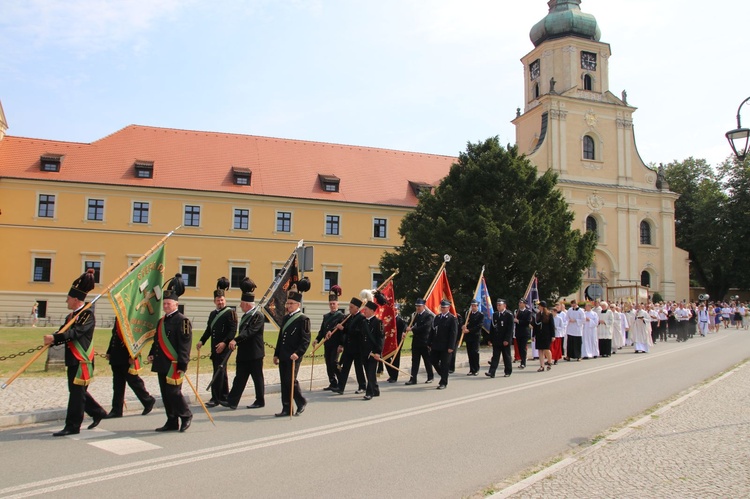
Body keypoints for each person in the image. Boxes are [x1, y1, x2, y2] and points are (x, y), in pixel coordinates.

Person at [43, 269, 108, 436]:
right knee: (77, 392)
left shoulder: (87, 315)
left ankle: (72, 426)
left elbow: (75, 334)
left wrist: (55, 338)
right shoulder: (70, 316)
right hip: (72, 359)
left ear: (76, 299)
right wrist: (53, 339)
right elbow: (63, 334)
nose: (66, 300)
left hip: (82, 361)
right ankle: (97, 412)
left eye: (68, 298)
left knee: (76, 395)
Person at [148, 274, 193, 432]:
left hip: (174, 364)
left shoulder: (183, 321)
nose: (166, 306)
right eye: (165, 303)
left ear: (176, 304)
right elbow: (157, 340)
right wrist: (152, 352)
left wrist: (183, 363)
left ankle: (185, 415)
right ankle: (172, 420)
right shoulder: (161, 321)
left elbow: (185, 345)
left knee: (174, 393)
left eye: (169, 303)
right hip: (162, 363)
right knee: (165, 394)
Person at [222, 277, 265, 410]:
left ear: (247, 304)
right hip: (244, 353)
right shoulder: (247, 315)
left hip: (254, 353)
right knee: (239, 377)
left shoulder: (258, 316)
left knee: (257, 378)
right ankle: (232, 401)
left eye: (241, 303)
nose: (240, 305)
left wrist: (236, 340)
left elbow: (250, 332)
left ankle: (260, 400)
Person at [197, 277, 237, 408]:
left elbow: (232, 331)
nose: (220, 302)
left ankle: (216, 397)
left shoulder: (230, 313)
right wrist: (202, 341)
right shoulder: (213, 314)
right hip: (214, 346)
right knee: (220, 370)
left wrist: (224, 343)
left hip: (224, 347)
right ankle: (224, 396)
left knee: (218, 371)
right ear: (214, 301)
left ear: (225, 300)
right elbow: (209, 329)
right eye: (218, 300)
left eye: (222, 300)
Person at [273, 281, 311, 417]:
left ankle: (301, 401)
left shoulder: (303, 319)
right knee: (284, 382)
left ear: (298, 305)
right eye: (287, 303)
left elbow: (306, 340)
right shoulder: (285, 318)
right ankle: (287, 408)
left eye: (291, 303)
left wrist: (298, 353)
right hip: (283, 355)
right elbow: (280, 337)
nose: (288, 306)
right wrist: (276, 354)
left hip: (294, 355)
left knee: (290, 381)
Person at [105, 318, 155, 418]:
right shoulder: (118, 316)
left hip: (127, 355)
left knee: (133, 381)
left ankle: (147, 400)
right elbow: (114, 335)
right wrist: (110, 351)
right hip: (116, 355)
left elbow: (136, 337)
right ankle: (116, 410)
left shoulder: (132, 316)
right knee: (117, 384)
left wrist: (133, 355)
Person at [313, 285, 344, 391]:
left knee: (334, 363)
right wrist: (317, 339)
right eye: (330, 304)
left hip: (336, 343)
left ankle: (342, 381)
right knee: (328, 364)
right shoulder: (326, 316)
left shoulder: (341, 316)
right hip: (327, 343)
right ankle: (332, 382)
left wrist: (341, 344)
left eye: (334, 304)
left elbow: (343, 332)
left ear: (337, 304)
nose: (332, 305)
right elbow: (322, 330)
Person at [333, 296, 367, 394]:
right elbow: (345, 333)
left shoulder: (362, 318)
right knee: (345, 368)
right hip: (348, 347)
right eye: (349, 307)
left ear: (357, 308)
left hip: (357, 348)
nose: (349, 309)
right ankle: (341, 387)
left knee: (358, 368)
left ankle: (362, 386)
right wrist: (341, 344)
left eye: (352, 307)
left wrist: (344, 329)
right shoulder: (349, 317)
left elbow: (358, 332)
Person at [429, 300, 457, 389]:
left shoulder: (452, 319)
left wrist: (451, 346)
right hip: (436, 345)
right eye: (442, 307)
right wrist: (429, 342)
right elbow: (432, 331)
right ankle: (443, 374)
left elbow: (453, 333)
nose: (443, 309)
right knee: (433, 360)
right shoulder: (437, 317)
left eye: (444, 307)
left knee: (445, 364)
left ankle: (443, 382)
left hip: (446, 346)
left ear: (448, 308)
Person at [405, 298, 435, 385]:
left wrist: (413, 329)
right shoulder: (414, 315)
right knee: (415, 361)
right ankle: (413, 379)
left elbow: (426, 327)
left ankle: (430, 376)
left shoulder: (428, 316)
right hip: (416, 342)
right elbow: (408, 323)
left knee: (427, 360)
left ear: (424, 306)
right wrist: (406, 328)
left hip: (425, 342)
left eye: (419, 306)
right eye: (416, 306)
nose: (417, 308)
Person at [360, 300, 384, 400]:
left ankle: (369, 392)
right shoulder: (363, 322)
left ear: (372, 311)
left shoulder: (378, 322)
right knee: (368, 373)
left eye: (366, 309)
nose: (364, 311)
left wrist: (378, 352)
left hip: (374, 353)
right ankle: (375, 389)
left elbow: (381, 338)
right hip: (365, 352)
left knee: (371, 372)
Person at [488, 298, 514, 377]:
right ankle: (491, 372)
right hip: (496, 339)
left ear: (504, 306)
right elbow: (492, 328)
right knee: (495, 356)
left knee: (506, 356)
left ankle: (508, 371)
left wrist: (507, 339)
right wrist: (490, 339)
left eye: (500, 305)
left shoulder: (509, 315)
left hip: (505, 339)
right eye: (497, 305)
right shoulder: (495, 315)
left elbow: (510, 329)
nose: (498, 307)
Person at [385, 304, 406, 382]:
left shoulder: (400, 320)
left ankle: (394, 376)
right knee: (386, 358)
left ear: (398, 310)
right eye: (393, 309)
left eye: (396, 309)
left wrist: (404, 332)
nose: (394, 311)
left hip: (397, 342)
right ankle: (391, 374)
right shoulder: (389, 319)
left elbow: (405, 326)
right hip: (389, 342)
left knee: (396, 360)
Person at [462, 299, 484, 375]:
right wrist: (463, 326)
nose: (473, 307)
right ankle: (471, 369)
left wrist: (469, 330)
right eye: (472, 306)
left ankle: (476, 369)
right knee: (470, 353)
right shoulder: (468, 314)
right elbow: (464, 322)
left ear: (477, 306)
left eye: (475, 306)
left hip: (475, 336)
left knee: (475, 352)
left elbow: (479, 326)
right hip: (468, 337)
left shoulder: (480, 315)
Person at [532, 301, 555, 371]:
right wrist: (533, 335)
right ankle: (542, 365)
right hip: (539, 335)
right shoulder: (538, 314)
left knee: (546, 349)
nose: (538, 307)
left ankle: (549, 362)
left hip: (546, 335)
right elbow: (535, 326)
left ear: (543, 307)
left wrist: (553, 336)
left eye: (539, 306)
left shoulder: (549, 314)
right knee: (540, 350)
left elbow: (552, 326)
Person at [514, 299, 533, 369]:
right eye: (519, 302)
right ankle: (521, 360)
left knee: (523, 348)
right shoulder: (516, 311)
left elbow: (527, 322)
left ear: (524, 304)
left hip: (524, 332)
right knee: (519, 348)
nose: (520, 304)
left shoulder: (528, 312)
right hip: (518, 332)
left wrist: (518, 321)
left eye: (521, 303)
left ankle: (523, 362)